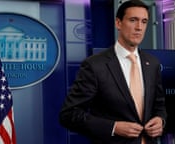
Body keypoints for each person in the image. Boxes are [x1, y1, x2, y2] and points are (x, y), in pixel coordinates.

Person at [59, 0, 167, 144]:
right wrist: (113, 127)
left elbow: (159, 105)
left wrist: (160, 120)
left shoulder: (152, 63)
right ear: (118, 23)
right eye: (133, 20)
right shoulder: (95, 65)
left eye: (144, 21)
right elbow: (69, 115)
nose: (139, 27)